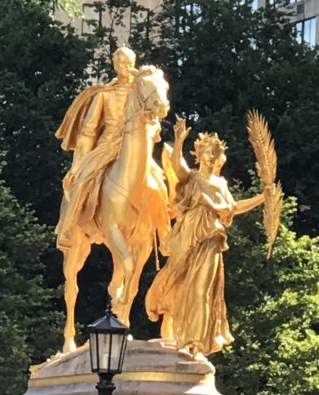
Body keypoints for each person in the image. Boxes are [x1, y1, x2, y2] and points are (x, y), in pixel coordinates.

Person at [145, 119, 264, 360]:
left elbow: (233, 207)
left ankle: (195, 344)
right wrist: (178, 140)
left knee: (202, 290)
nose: (212, 156)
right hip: (186, 238)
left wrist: (262, 198)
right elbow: (177, 167)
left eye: (216, 153)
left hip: (211, 239)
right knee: (175, 279)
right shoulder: (192, 179)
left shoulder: (220, 184)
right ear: (199, 155)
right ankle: (167, 316)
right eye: (208, 152)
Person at [55, 46, 138, 251]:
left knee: (160, 181)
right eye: (122, 63)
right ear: (115, 64)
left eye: (129, 63)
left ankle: (163, 229)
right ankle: (69, 225)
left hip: (134, 147)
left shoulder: (140, 92)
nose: (126, 67)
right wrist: (79, 162)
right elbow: (88, 130)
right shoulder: (104, 95)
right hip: (106, 145)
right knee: (83, 180)